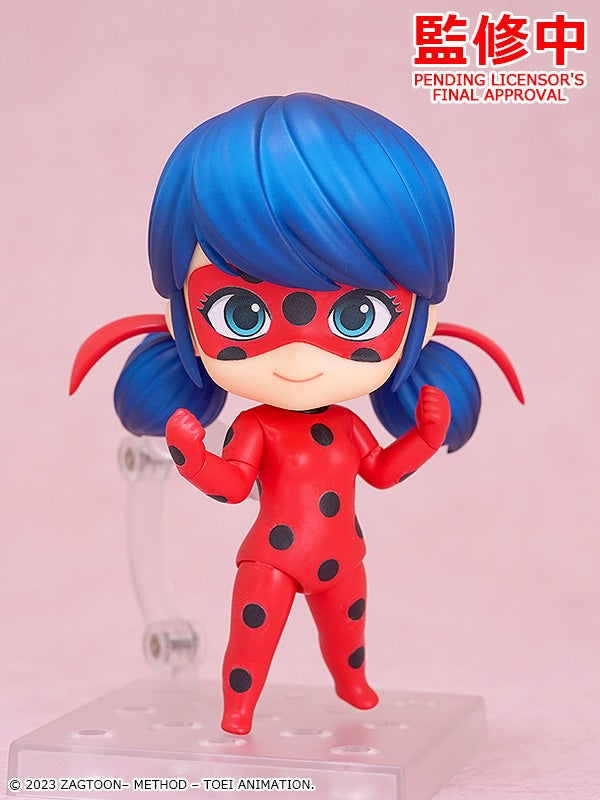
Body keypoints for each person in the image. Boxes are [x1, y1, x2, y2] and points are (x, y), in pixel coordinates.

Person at [71, 93, 522, 734]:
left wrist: (425, 437)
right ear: (184, 316)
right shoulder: (256, 427)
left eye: (357, 315)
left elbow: (380, 471)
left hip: (345, 556)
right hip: (272, 559)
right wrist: (192, 457)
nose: (300, 354)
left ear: (420, 322)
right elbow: (234, 487)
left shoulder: (346, 427)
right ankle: (238, 707)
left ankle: (352, 682)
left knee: (348, 634)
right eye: (243, 313)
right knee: (252, 641)